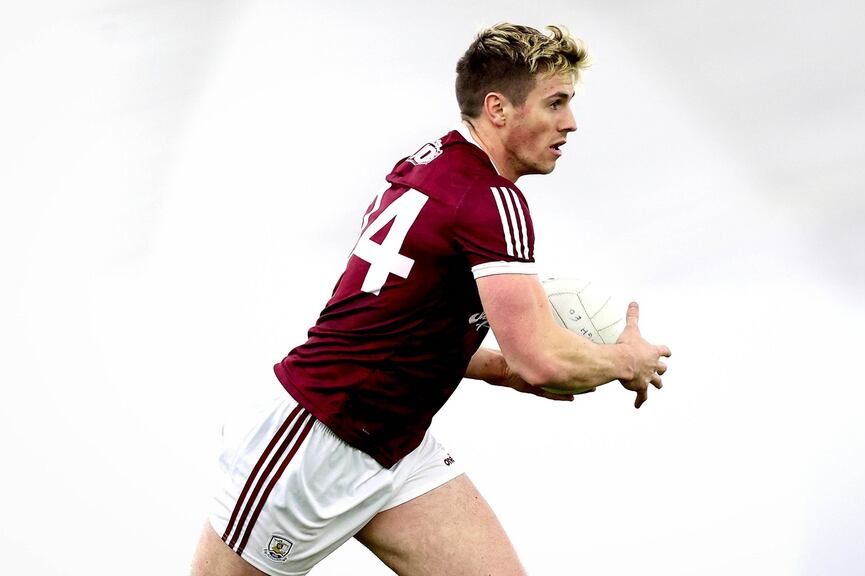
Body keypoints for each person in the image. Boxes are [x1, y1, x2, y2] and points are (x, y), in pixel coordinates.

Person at [191, 22, 672, 576]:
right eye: (555, 103)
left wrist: (501, 368)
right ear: (498, 108)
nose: (571, 122)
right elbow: (541, 360)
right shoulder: (492, 201)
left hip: (398, 444)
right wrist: (625, 360)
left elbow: (405, 320)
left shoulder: (432, 163)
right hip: (317, 438)